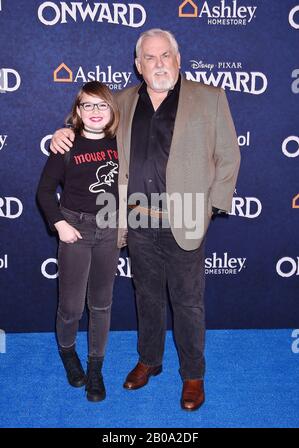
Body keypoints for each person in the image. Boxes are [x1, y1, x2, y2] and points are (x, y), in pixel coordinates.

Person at [50, 29, 241, 411]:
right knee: (147, 297)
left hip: (186, 217)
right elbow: (91, 128)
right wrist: (63, 134)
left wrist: (209, 209)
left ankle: (192, 374)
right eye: (149, 58)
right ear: (138, 65)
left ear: (177, 58)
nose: (158, 64)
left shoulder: (210, 98)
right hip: (136, 216)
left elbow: (229, 157)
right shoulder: (120, 102)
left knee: (188, 302)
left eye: (165, 55)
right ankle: (150, 360)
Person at [37, 81, 120, 402]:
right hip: (75, 228)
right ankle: (68, 352)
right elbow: (44, 192)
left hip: (109, 229)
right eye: (88, 105)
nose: (95, 111)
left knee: (101, 303)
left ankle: (96, 368)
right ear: (78, 111)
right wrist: (60, 224)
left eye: (101, 105)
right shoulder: (66, 145)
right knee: (71, 306)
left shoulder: (120, 142)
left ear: (112, 110)